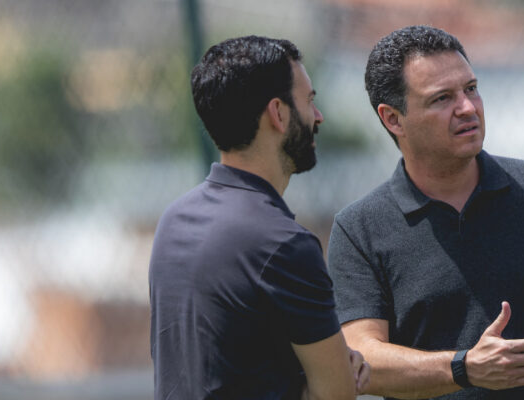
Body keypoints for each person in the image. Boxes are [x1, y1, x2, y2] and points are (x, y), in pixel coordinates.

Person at [326, 26, 524, 399]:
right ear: (393, 119)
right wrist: (465, 368)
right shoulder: (360, 228)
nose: (468, 108)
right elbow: (363, 357)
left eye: (471, 89)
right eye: (442, 98)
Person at [149, 35, 369, 400]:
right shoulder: (284, 244)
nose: (318, 116)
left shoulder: (173, 220)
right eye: (309, 101)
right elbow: (335, 394)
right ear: (278, 114)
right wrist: (336, 372)